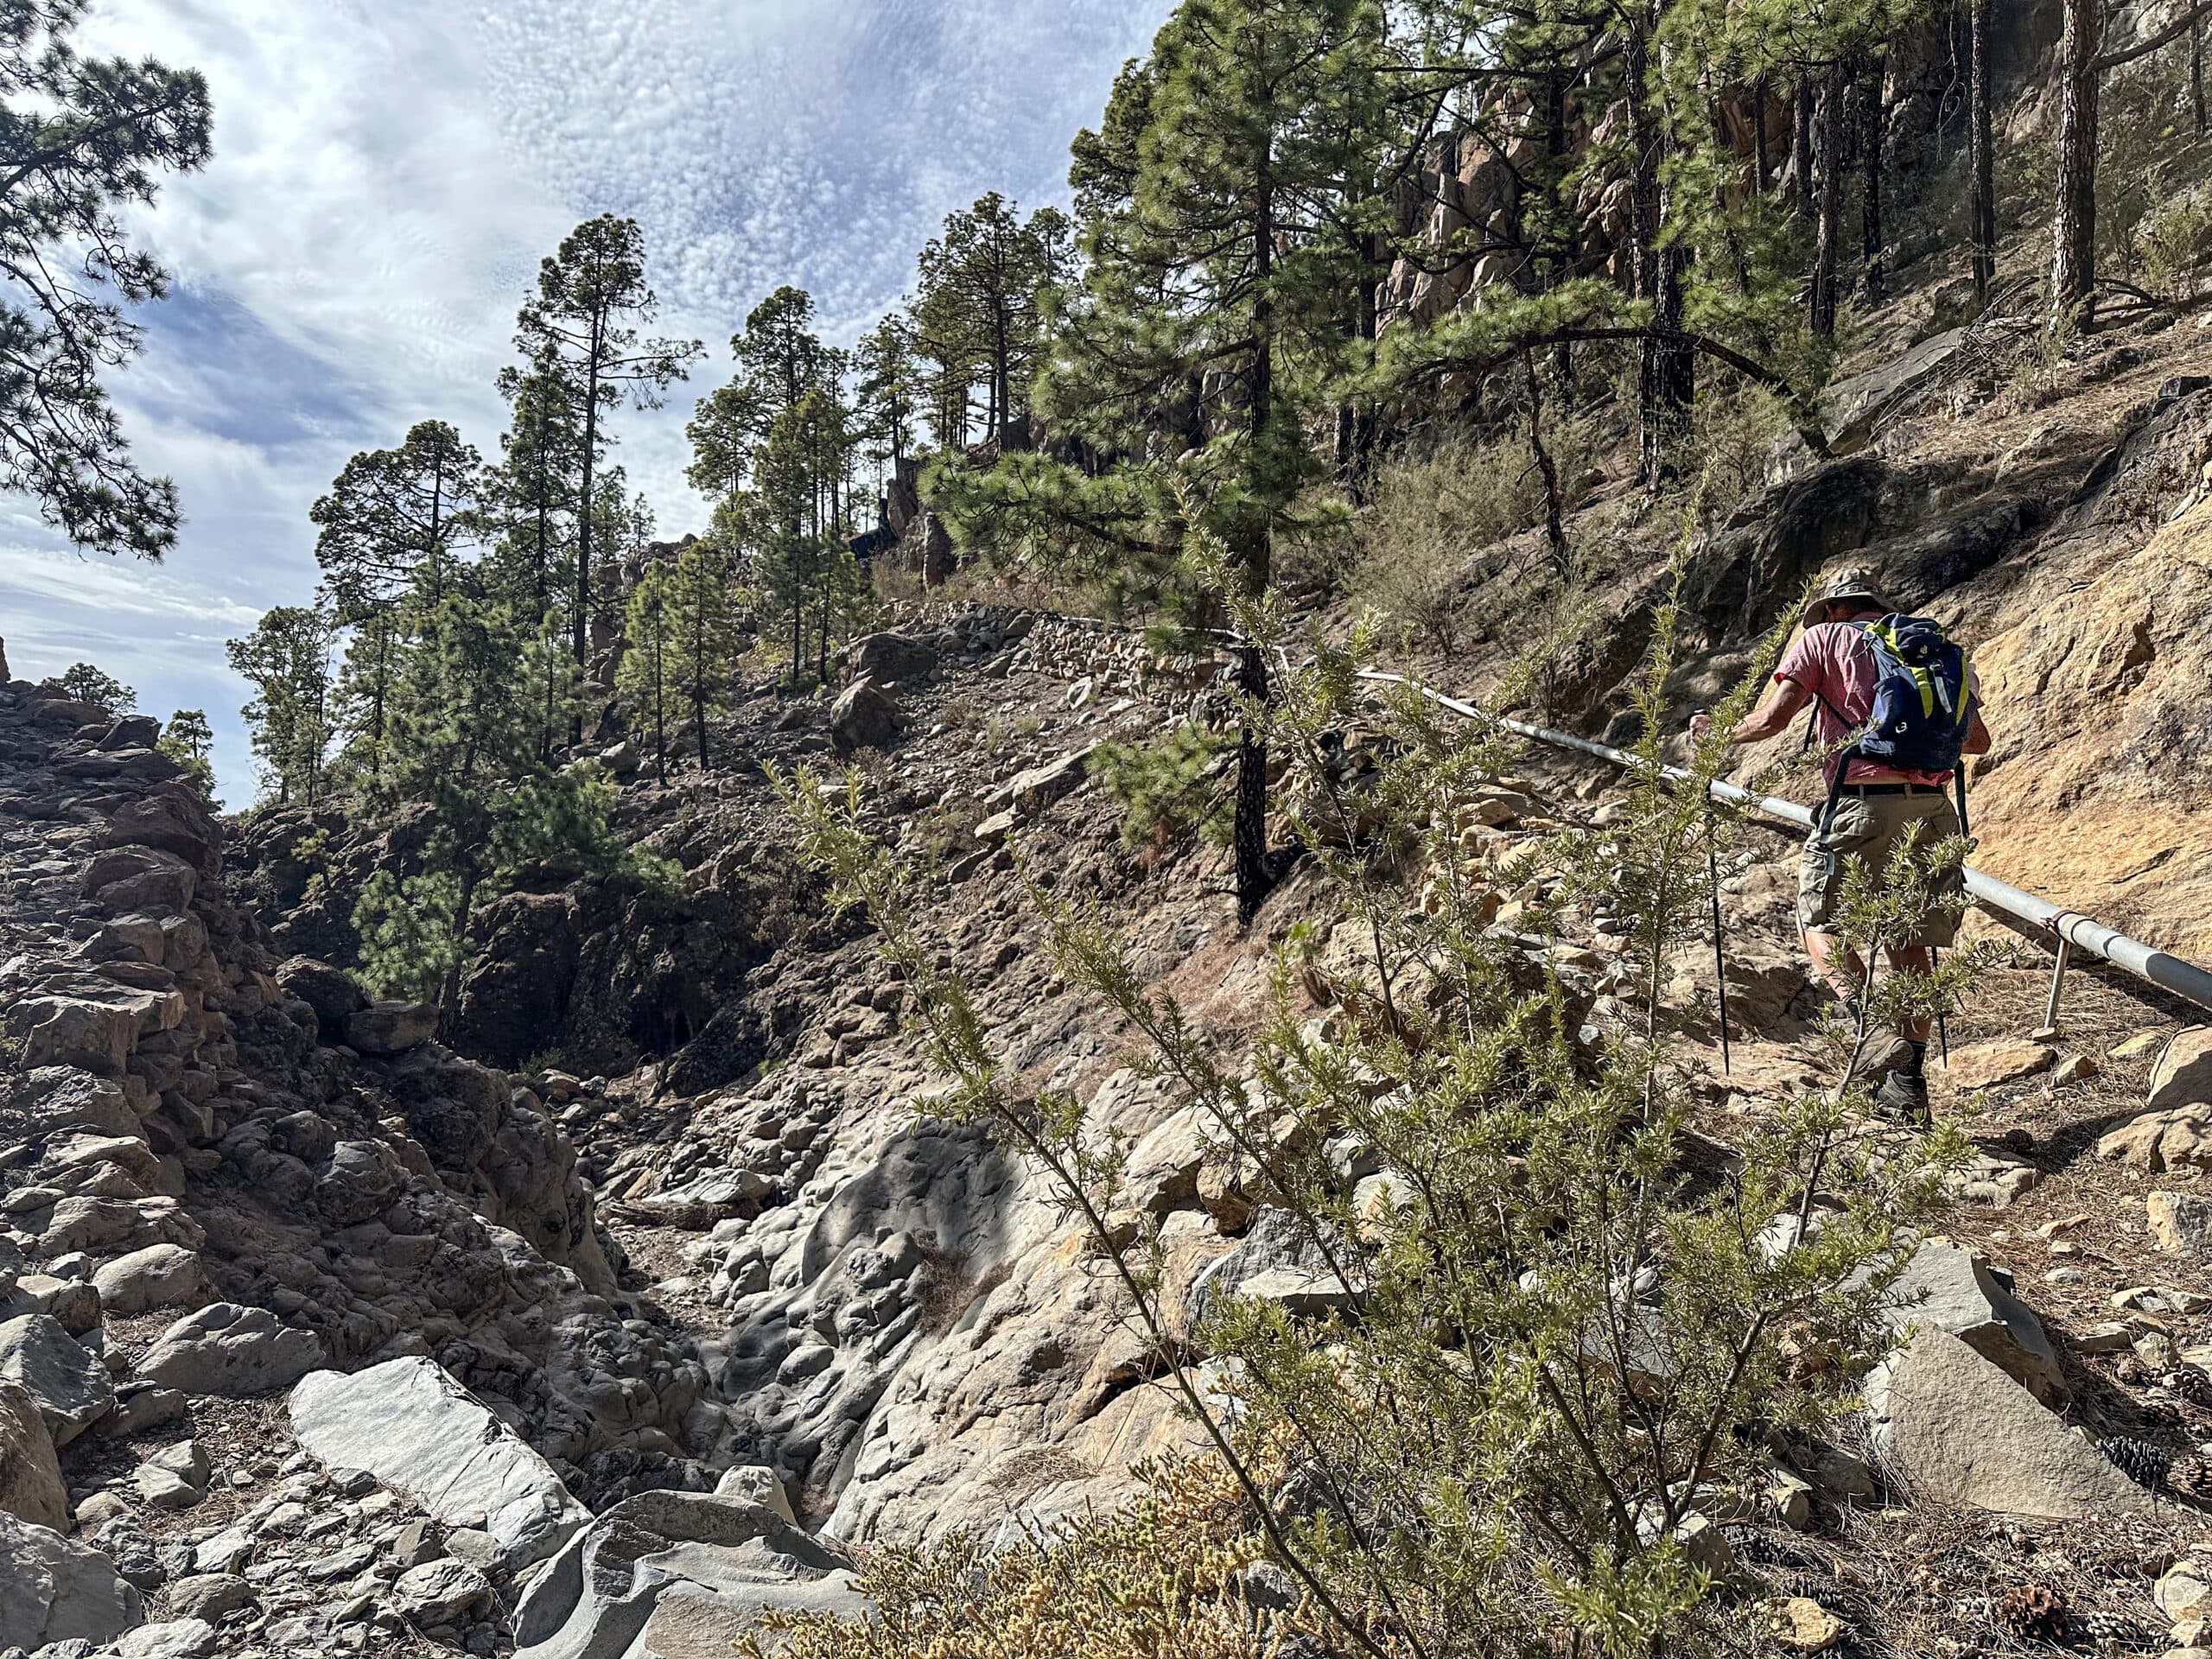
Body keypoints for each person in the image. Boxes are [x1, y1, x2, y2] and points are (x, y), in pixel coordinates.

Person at [1689, 570, 1993, 1120]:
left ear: (1832, 610)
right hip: (1931, 811)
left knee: (1819, 923)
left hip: (1861, 803)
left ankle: (1869, 1023)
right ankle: (1906, 1083)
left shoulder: (1822, 640)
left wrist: (1718, 734)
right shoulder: (1936, 650)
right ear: (1877, 605)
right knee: (1908, 945)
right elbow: (1978, 740)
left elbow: (1773, 719)